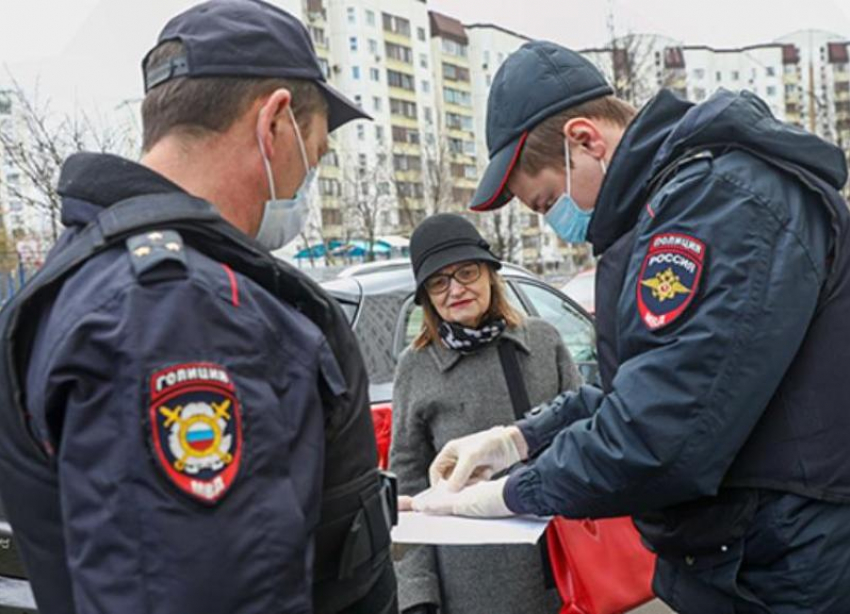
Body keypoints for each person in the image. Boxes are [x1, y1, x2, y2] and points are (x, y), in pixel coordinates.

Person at [408, 40, 850, 614]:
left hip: (784, 567)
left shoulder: (719, 205)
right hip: (742, 554)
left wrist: (513, 493)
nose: (555, 226)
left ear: (585, 141)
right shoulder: (671, 205)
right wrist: (517, 440)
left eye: (546, 204)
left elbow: (661, 431)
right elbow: (646, 386)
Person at [0, 1, 397, 613]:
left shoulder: (102, 279)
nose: (304, 184)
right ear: (274, 122)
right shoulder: (175, 309)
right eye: (313, 156)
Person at [391, 214, 578, 614]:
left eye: (466, 271)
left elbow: (584, 437)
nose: (455, 289)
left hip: (562, 565)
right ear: (425, 296)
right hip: (470, 583)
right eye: (438, 282)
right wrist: (418, 594)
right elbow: (406, 489)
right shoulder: (416, 366)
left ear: (490, 274)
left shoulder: (543, 342)